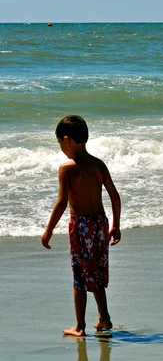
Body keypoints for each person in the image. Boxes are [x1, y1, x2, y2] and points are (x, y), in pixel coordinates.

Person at [42, 115, 121, 337]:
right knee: (95, 273)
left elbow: (61, 203)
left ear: (66, 140)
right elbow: (115, 197)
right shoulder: (98, 165)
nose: (61, 149)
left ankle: (79, 326)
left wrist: (48, 230)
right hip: (99, 224)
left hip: (81, 227)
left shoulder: (67, 169)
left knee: (79, 276)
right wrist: (115, 225)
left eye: (60, 144)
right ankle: (104, 318)